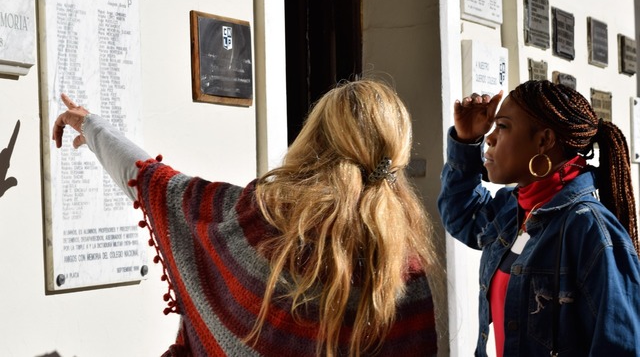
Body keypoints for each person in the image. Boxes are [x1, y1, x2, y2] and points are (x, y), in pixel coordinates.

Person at [53, 79, 440, 357]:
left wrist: (92, 126)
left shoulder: (263, 222)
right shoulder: (406, 267)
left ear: (314, 141)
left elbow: (159, 186)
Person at [438, 79, 640, 356]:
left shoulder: (589, 228)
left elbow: (619, 347)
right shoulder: (515, 208)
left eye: (503, 126)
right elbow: (462, 216)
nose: (491, 138)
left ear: (544, 140)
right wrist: (466, 140)